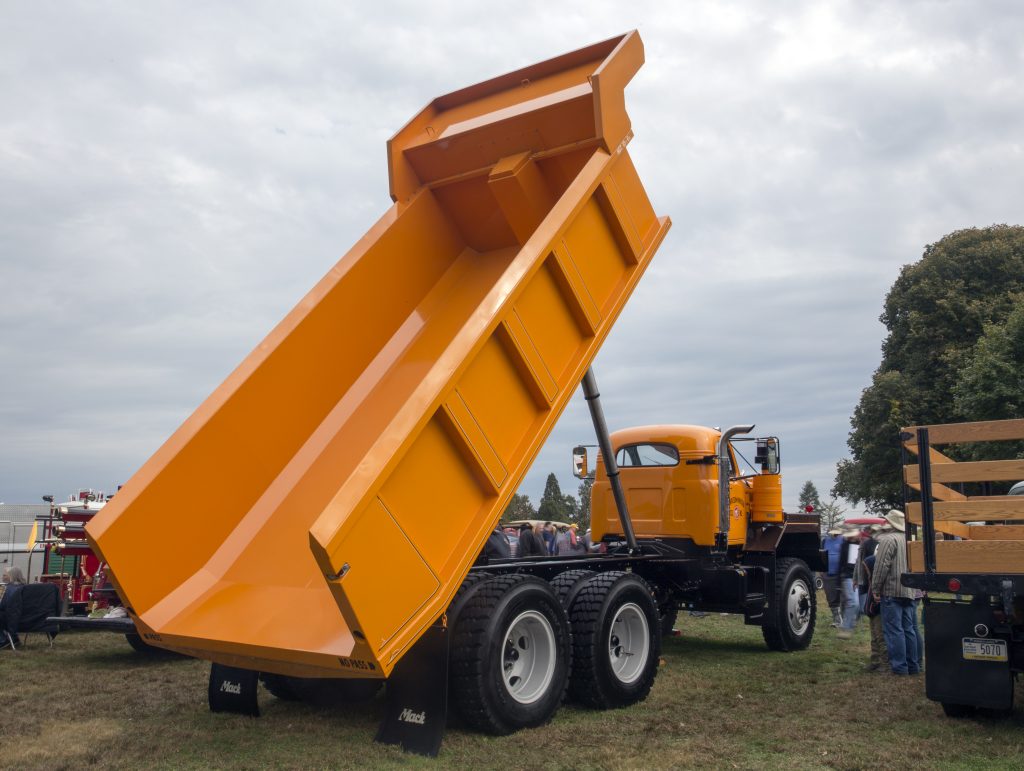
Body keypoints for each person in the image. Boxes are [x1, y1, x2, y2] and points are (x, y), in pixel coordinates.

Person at [871, 510, 920, 675]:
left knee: (894, 630)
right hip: (909, 590)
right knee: (909, 629)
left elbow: (881, 566)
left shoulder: (887, 539)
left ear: (891, 523)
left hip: (892, 589)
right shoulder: (910, 540)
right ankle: (913, 666)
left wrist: (875, 588)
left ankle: (899, 668)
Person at [836, 528, 861, 639]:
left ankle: (851, 622)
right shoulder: (845, 546)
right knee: (853, 603)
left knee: (858, 604)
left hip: (858, 577)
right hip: (847, 576)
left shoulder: (861, 545)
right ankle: (846, 627)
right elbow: (841, 562)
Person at [821, 527, 844, 627]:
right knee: (831, 597)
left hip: (841, 573)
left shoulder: (844, 540)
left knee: (843, 597)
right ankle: (837, 620)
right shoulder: (825, 540)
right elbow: (821, 554)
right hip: (828, 573)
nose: (835, 535)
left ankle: (846, 620)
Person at [0, 566, 28, 649]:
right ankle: (14, 639)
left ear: (12, 576)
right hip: (30, 620)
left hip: (13, 619)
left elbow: (4, 605)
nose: (2, 577)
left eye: (5, 575)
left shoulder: (10, 589)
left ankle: (3, 640)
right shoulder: (26, 587)